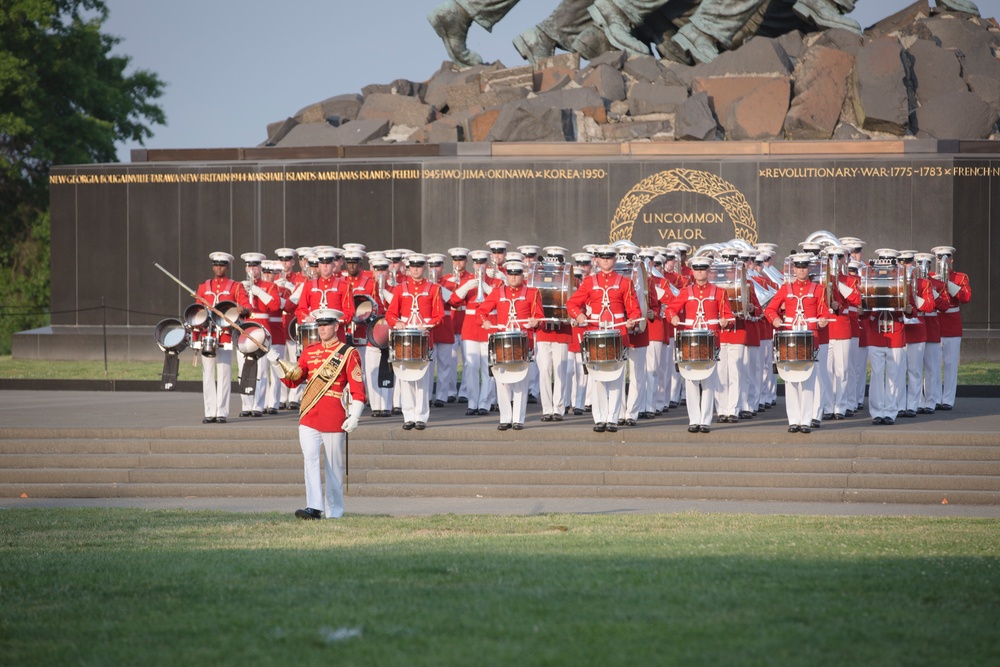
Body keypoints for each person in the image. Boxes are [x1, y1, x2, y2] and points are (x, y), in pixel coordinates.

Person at [271, 308, 365, 520]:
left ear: (336, 326)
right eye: (319, 325)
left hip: (333, 415)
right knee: (310, 460)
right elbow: (293, 380)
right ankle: (314, 507)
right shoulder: (309, 351)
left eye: (326, 324)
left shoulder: (348, 353)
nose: (322, 328)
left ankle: (335, 512)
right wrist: (276, 363)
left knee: (333, 466)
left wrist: (355, 416)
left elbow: (359, 389)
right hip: (309, 414)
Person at [567, 244, 642, 433]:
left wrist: (632, 319)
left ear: (615, 260)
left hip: (617, 332)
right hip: (595, 332)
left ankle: (613, 419)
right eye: (603, 257)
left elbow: (634, 308)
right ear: (597, 260)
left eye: (609, 257)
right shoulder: (589, 282)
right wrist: (579, 316)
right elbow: (572, 303)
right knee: (597, 377)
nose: (606, 260)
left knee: (616, 377)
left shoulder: (625, 282)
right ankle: (599, 418)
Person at [663, 255, 733, 433]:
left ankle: (705, 420)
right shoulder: (686, 292)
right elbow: (671, 309)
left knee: (709, 381)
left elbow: (729, 315)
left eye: (703, 269)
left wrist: (726, 321)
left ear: (709, 271)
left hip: (710, 341)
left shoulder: (719, 292)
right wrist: (674, 317)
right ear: (692, 271)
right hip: (691, 342)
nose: (700, 272)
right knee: (691, 381)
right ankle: (694, 419)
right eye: (697, 269)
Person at [764, 253, 830, 433]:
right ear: (794, 269)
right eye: (798, 267)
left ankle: (806, 420)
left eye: (804, 267)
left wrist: (823, 319)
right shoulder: (786, 289)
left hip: (810, 338)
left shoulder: (818, 289)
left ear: (808, 269)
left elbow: (824, 312)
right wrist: (775, 320)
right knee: (791, 381)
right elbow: (770, 309)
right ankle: (793, 420)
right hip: (790, 339)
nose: (801, 270)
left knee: (808, 380)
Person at [476, 260, 543, 430]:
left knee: (520, 381)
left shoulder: (533, 292)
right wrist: (484, 322)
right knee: (502, 381)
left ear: (522, 275)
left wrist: (535, 322)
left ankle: (518, 419)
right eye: (511, 274)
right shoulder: (498, 293)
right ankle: (505, 418)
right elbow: (481, 311)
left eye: (517, 274)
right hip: (503, 342)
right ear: (506, 275)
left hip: (523, 341)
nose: (513, 277)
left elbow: (539, 317)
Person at [385, 253, 445, 430]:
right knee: (405, 379)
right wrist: (396, 322)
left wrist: (426, 325)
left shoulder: (434, 288)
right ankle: (408, 415)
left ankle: (421, 416)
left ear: (424, 268)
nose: (416, 269)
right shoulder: (399, 288)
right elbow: (390, 314)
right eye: (413, 266)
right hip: (404, 340)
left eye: (419, 266)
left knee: (422, 380)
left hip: (424, 339)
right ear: (408, 268)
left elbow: (439, 316)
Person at [195, 252, 250, 424]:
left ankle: (222, 412)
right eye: (216, 265)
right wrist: (196, 337)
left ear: (227, 267)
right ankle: (210, 411)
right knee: (208, 374)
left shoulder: (236, 286)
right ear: (213, 266)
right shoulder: (203, 287)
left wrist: (242, 309)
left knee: (224, 373)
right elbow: (197, 312)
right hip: (208, 336)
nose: (219, 268)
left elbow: (247, 306)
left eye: (222, 265)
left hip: (225, 335)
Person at [237, 252, 282, 418]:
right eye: (249, 266)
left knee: (262, 370)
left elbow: (275, 306)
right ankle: (246, 405)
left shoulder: (270, 287)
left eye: (255, 266)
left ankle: (258, 405)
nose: (252, 269)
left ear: (260, 268)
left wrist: (258, 292)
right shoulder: (239, 286)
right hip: (244, 329)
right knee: (243, 368)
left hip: (262, 329)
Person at [931, 246, 971, 411]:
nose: (943, 260)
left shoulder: (960, 277)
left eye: (946, 257)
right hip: (934, 323)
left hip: (951, 323)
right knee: (933, 365)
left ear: (951, 259)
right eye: (940, 257)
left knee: (950, 364)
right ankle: (933, 397)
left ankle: (947, 399)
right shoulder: (930, 277)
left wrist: (949, 283)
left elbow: (966, 297)